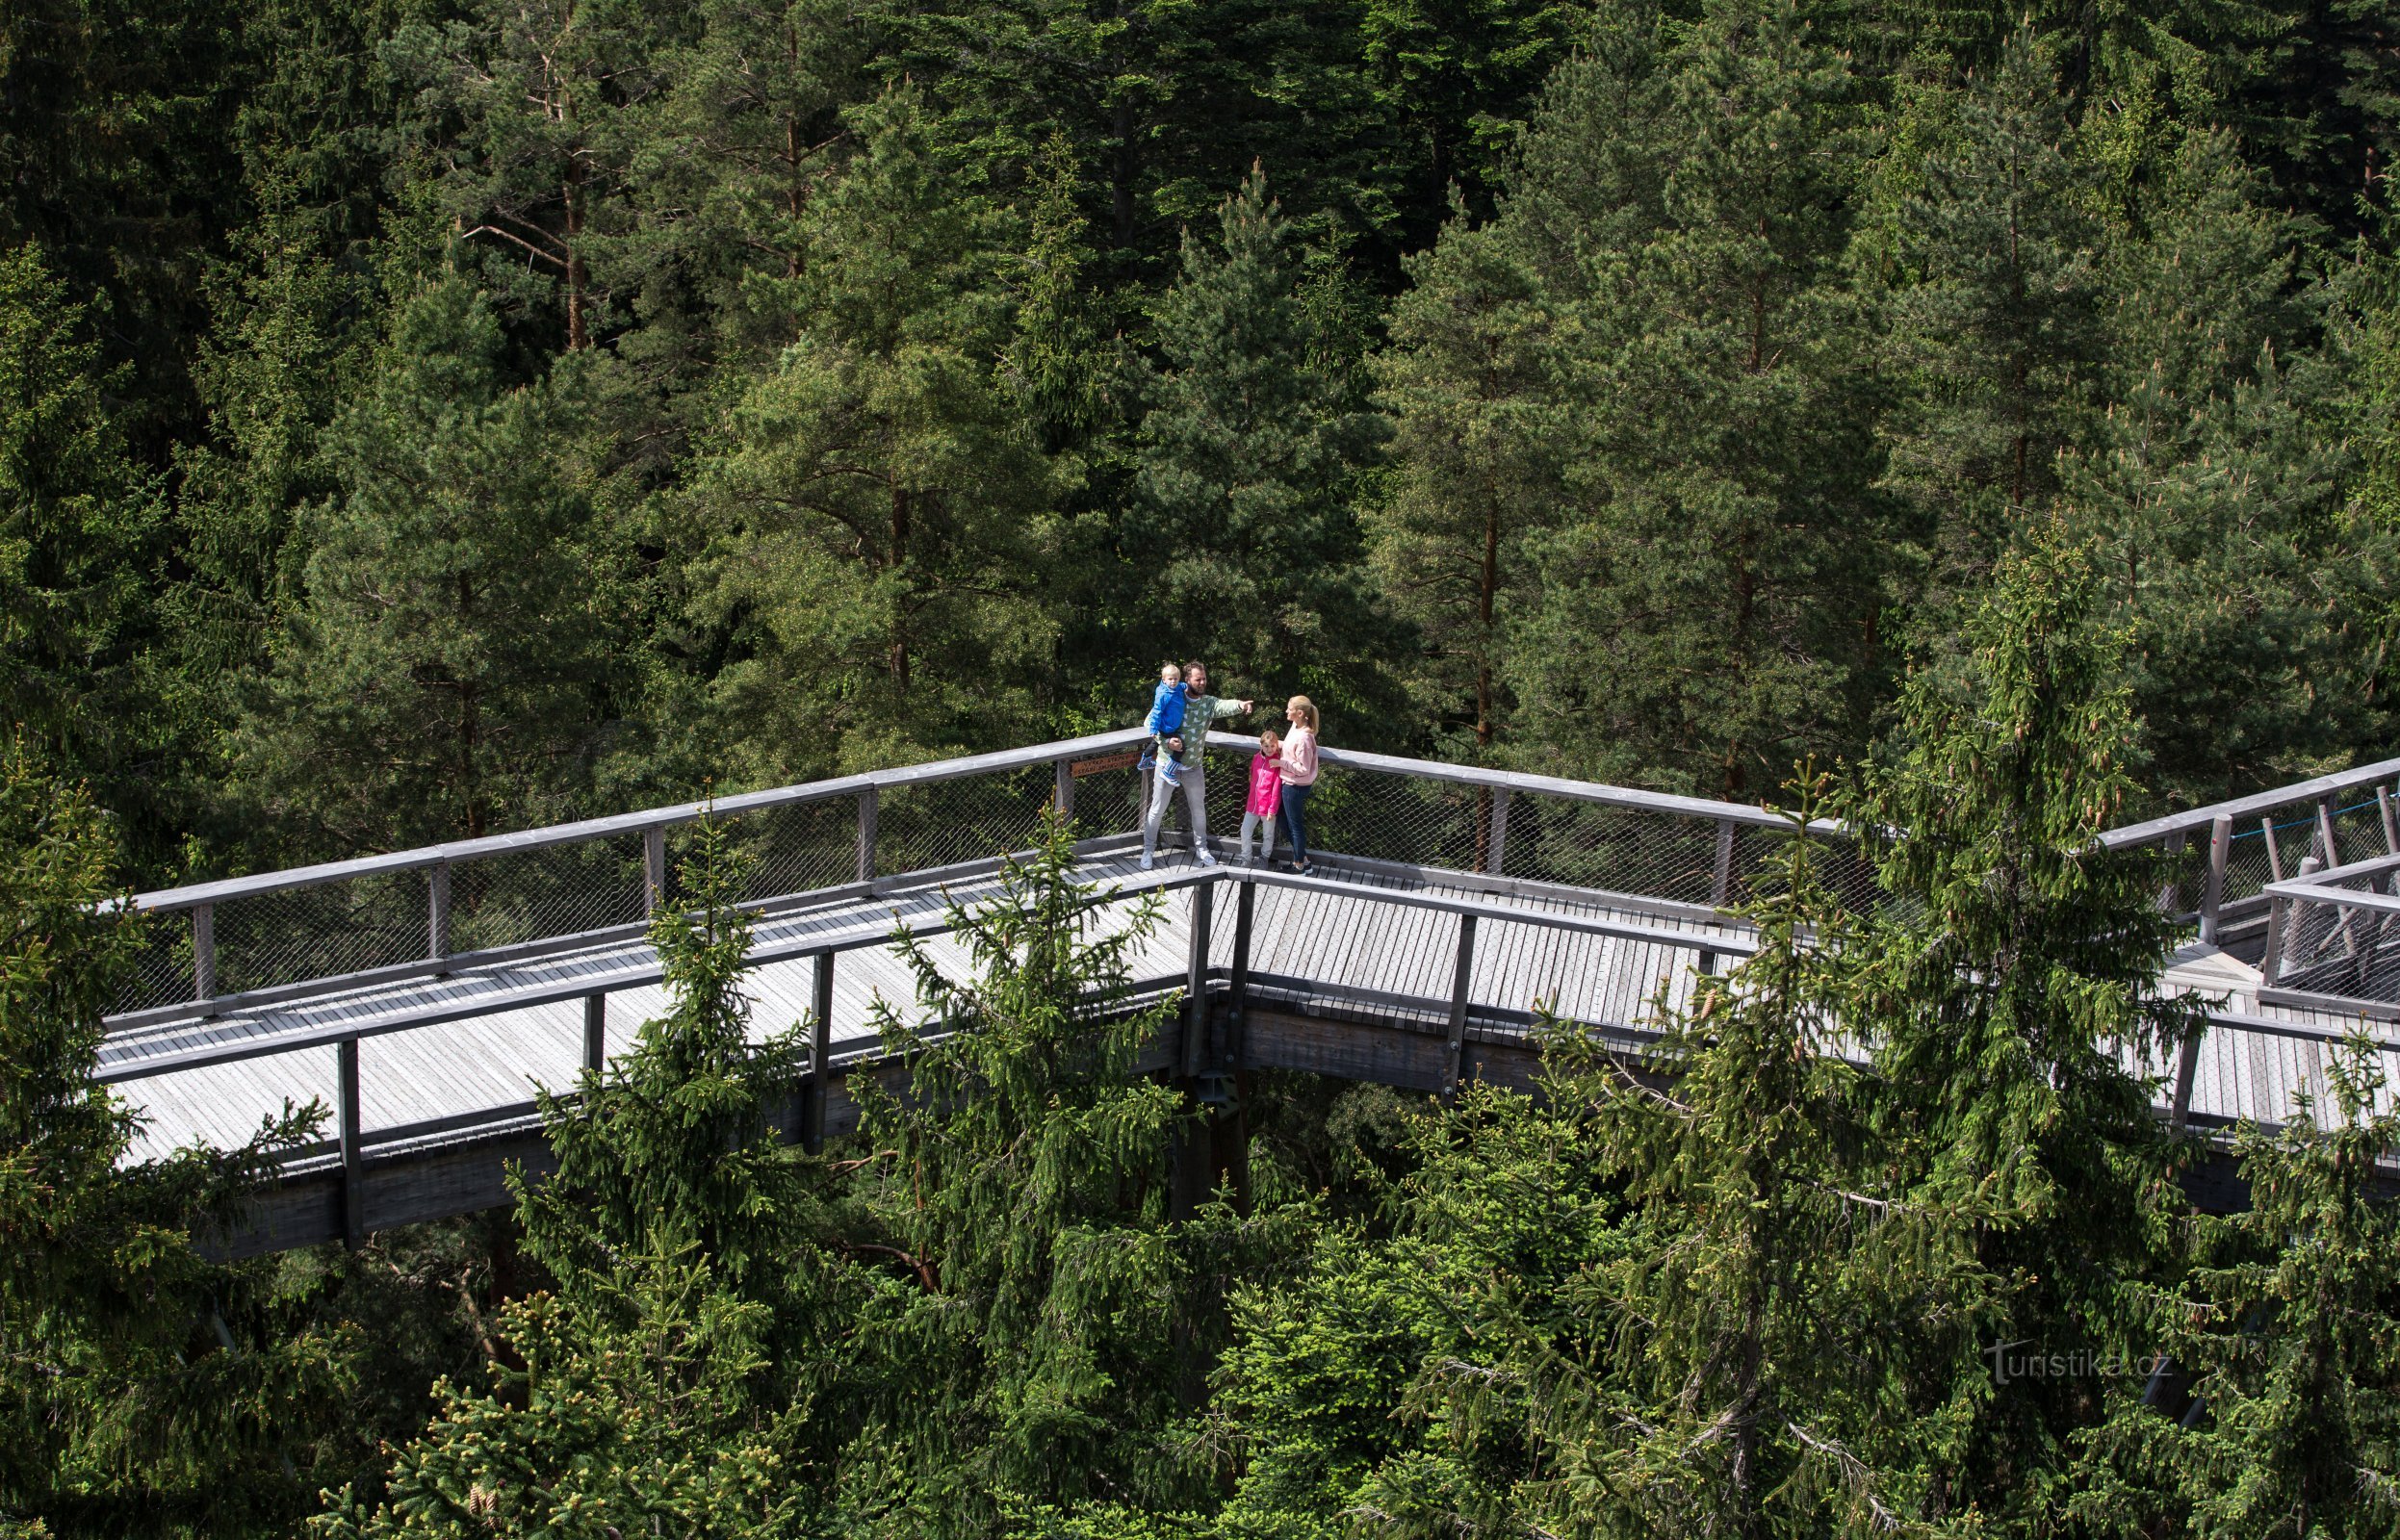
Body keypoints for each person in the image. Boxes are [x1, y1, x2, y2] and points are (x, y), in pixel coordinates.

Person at [1140, 660, 1252, 870]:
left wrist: (1240, 705)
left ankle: (1202, 849)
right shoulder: (1172, 696)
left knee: (1198, 811)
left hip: (1193, 768)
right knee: (1157, 810)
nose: (1202, 682)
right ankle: (1148, 850)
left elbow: (1222, 706)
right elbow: (1149, 722)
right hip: (1165, 766)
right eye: (1198, 679)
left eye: (1204, 679)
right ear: (1187, 680)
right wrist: (1165, 741)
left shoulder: (1207, 703)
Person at [1277, 695, 1320, 875]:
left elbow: (1303, 768)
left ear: (1300, 713)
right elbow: (1288, 747)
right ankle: (1304, 861)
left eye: (1290, 708)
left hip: (1295, 786)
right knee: (1282, 819)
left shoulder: (1305, 738)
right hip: (1289, 783)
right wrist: (1271, 744)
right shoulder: (1295, 726)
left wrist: (1281, 764)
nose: (1287, 711)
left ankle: (1299, 866)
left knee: (1295, 826)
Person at [1140, 663, 1189, 789]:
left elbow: (1182, 686)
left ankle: (1144, 761)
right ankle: (1168, 771)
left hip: (1170, 726)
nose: (1173, 682)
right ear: (1164, 680)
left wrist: (1186, 685)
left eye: (1176, 679)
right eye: (1170, 679)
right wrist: (1153, 728)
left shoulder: (1177, 687)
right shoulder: (1163, 694)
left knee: (1155, 743)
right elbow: (1156, 712)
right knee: (1180, 748)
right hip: (1167, 727)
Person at [1239, 729, 1283, 865]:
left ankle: (1264, 858)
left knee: (1268, 835)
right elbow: (1252, 779)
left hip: (1268, 806)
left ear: (1277, 746)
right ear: (1261, 746)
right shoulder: (1256, 758)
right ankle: (1246, 858)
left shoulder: (1277, 763)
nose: (1270, 749)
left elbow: (1277, 788)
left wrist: (1272, 809)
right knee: (1245, 831)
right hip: (1253, 804)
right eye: (1266, 746)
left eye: (1272, 746)